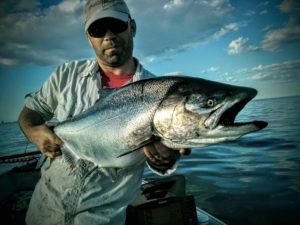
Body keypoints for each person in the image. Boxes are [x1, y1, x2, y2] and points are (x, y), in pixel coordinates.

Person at [18, 0, 190, 225]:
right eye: (98, 30)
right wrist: (34, 132)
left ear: (132, 27)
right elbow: (29, 114)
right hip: (42, 215)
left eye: (116, 25)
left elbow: (161, 160)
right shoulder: (65, 76)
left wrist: (165, 158)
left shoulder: (159, 93)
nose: (108, 36)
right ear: (89, 37)